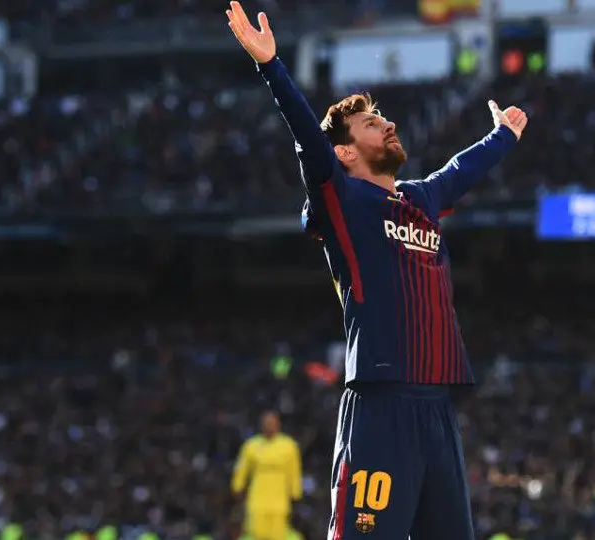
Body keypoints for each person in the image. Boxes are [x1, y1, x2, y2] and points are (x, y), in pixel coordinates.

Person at [225, 3, 527, 538]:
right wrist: (271, 67)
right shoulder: (344, 201)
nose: (388, 124)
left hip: (438, 405)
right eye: (371, 123)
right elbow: (308, 144)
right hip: (380, 406)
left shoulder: (420, 199)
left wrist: (502, 135)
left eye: (383, 118)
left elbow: (459, 172)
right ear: (344, 151)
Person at [232, 411, 303, 540]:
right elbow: (242, 468)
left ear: (278, 424)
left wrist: (295, 492)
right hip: (257, 498)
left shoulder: (289, 446)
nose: (269, 426)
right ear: (261, 425)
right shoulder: (251, 445)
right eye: (267, 423)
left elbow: (294, 470)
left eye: (272, 423)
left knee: (278, 535)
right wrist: (238, 486)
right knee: (256, 533)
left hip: (280, 499)